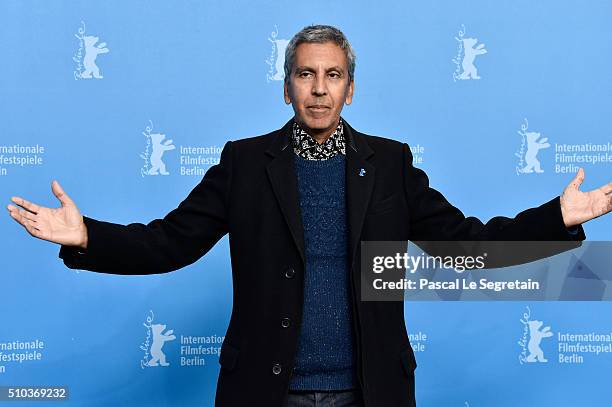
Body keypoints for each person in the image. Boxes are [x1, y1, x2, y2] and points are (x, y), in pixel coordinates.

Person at [6, 25, 611, 407]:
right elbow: (171, 242)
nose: (319, 89)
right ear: (287, 87)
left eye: (332, 75)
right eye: (305, 74)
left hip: (370, 390)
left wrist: (557, 217)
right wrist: (87, 237)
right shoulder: (244, 164)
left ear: (351, 88)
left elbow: (466, 247)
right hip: (266, 392)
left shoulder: (392, 164)